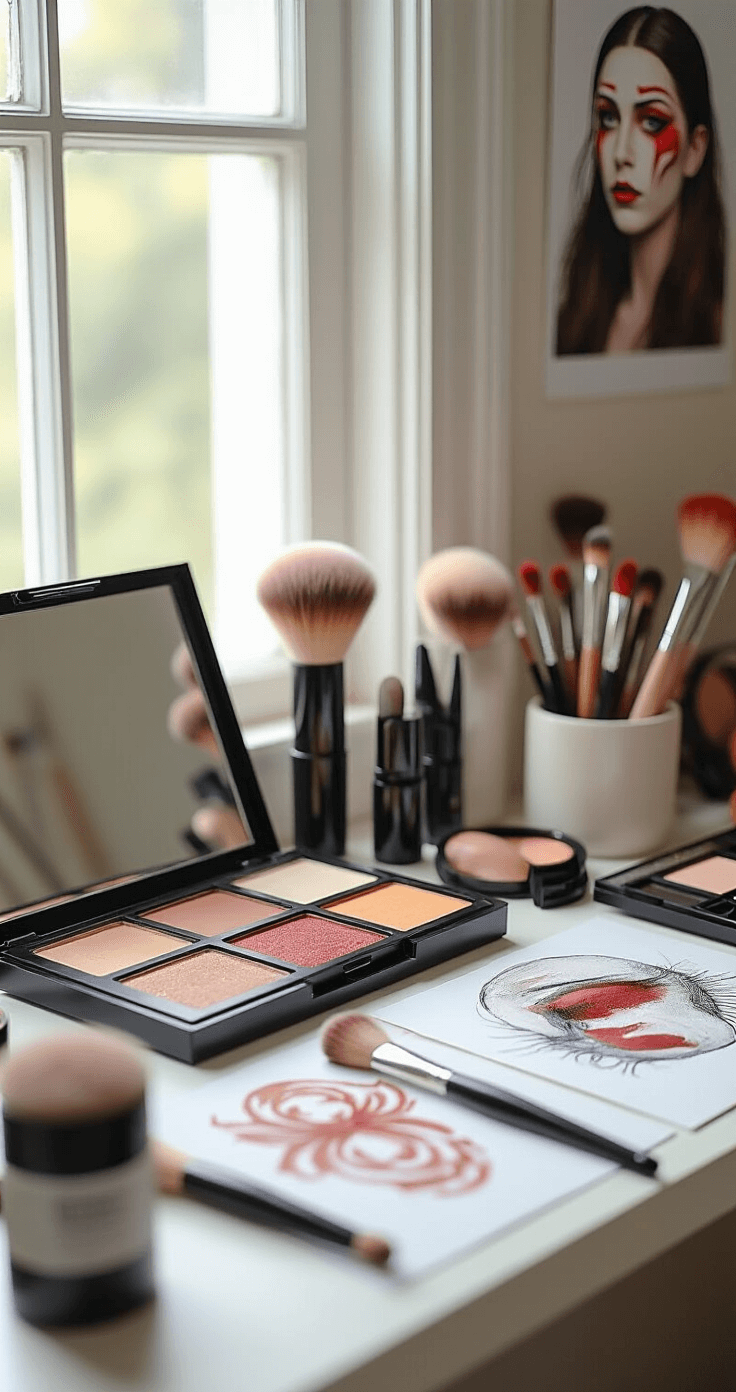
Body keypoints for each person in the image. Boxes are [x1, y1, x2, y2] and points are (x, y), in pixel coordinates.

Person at [556, 6, 725, 355]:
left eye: (651, 122)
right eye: (608, 117)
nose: (621, 153)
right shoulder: (576, 320)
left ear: (695, 148)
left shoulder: (719, 321)